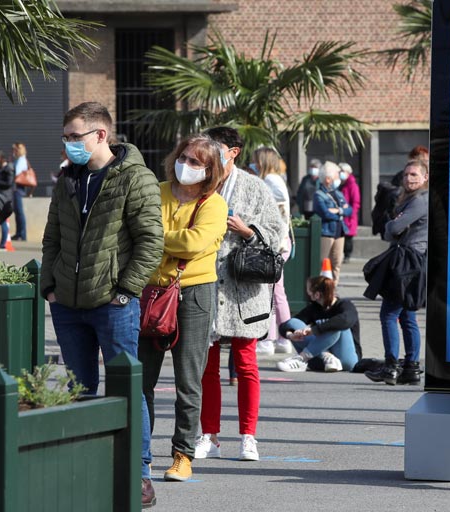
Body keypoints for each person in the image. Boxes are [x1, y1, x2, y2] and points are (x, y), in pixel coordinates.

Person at [40, 102, 164, 508]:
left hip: (113, 304)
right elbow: (52, 237)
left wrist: (125, 290)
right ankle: (81, 466)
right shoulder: (68, 179)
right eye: (65, 137)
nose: (68, 144)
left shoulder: (136, 178)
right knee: (78, 389)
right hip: (67, 304)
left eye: (74, 137)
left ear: (100, 135)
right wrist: (49, 286)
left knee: (127, 388)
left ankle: (139, 473)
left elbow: (151, 241)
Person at [138, 135, 228, 484]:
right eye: (183, 157)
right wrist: (160, 238)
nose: (185, 166)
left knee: (188, 381)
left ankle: (183, 454)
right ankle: (140, 454)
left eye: (195, 162)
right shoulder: (156, 191)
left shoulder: (214, 204)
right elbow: (134, 230)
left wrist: (155, 237)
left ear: (210, 170)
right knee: (141, 379)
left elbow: (194, 243)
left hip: (194, 293)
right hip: (150, 292)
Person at [194, 127, 284, 464]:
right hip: (204, 281)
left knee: (246, 363)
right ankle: (209, 435)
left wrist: (248, 231)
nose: (209, 152)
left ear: (233, 151)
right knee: (207, 366)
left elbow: (276, 232)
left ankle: (248, 436)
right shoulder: (199, 181)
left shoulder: (254, 186)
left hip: (244, 287)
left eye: (215, 147)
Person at [365, 160, 429, 385]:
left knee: (389, 314)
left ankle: (391, 366)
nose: (409, 179)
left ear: (425, 178)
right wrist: (393, 226)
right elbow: (391, 230)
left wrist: (393, 224)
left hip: (407, 262)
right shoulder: (411, 199)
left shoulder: (419, 201)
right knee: (407, 315)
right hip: (411, 260)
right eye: (406, 175)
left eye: (414, 175)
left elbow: (393, 228)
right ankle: (411, 368)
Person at [254, 147, 294, 356]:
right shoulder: (277, 180)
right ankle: (284, 337)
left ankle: (268, 339)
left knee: (269, 293)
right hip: (281, 243)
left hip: (275, 244)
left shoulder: (270, 181)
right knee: (277, 292)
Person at [276, 275, 360, 373]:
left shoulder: (345, 305)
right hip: (319, 361)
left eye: (308, 290)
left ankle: (301, 358)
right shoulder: (314, 308)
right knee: (293, 322)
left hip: (345, 361)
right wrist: (290, 335)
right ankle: (326, 355)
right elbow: (288, 325)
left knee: (335, 326)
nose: (307, 292)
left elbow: (346, 320)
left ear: (316, 295)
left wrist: (315, 330)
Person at [313, 161, 352, 284]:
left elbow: (349, 210)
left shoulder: (338, 193)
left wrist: (338, 211)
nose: (338, 178)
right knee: (323, 262)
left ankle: (333, 288)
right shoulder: (319, 195)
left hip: (340, 232)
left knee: (337, 262)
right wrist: (341, 212)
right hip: (326, 232)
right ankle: (321, 287)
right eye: (336, 175)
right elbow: (325, 213)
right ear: (328, 179)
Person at [338, 162, 360, 263]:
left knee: (348, 238)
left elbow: (355, 202)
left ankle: (347, 255)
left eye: (342, 171)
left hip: (349, 217)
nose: (340, 173)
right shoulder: (341, 184)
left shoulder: (352, 185)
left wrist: (351, 214)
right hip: (342, 215)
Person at [11, 142, 29, 241]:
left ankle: (22, 234)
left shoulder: (21, 160)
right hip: (17, 187)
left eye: (14, 149)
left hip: (18, 188)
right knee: (17, 211)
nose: (13, 151)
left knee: (19, 211)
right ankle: (19, 233)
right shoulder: (18, 159)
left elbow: (17, 173)